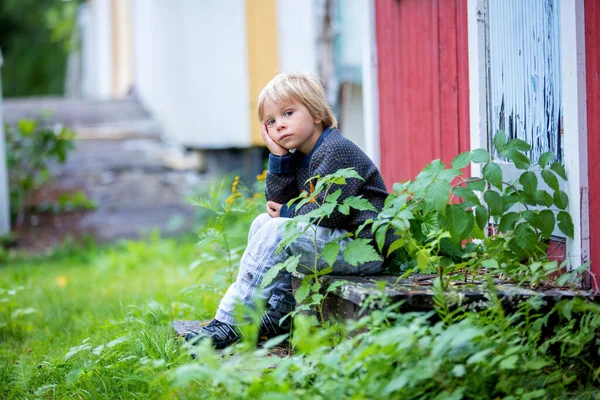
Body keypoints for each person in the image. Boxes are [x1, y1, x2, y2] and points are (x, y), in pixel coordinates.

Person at [185, 73, 391, 349]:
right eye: (271, 122)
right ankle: (279, 315)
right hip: (335, 241)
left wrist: (288, 211)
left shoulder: (336, 149)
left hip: (363, 248)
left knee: (277, 229)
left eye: (288, 113)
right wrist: (279, 158)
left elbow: (331, 214)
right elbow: (276, 206)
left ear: (317, 113)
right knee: (263, 223)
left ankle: (233, 320)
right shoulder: (302, 155)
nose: (279, 125)